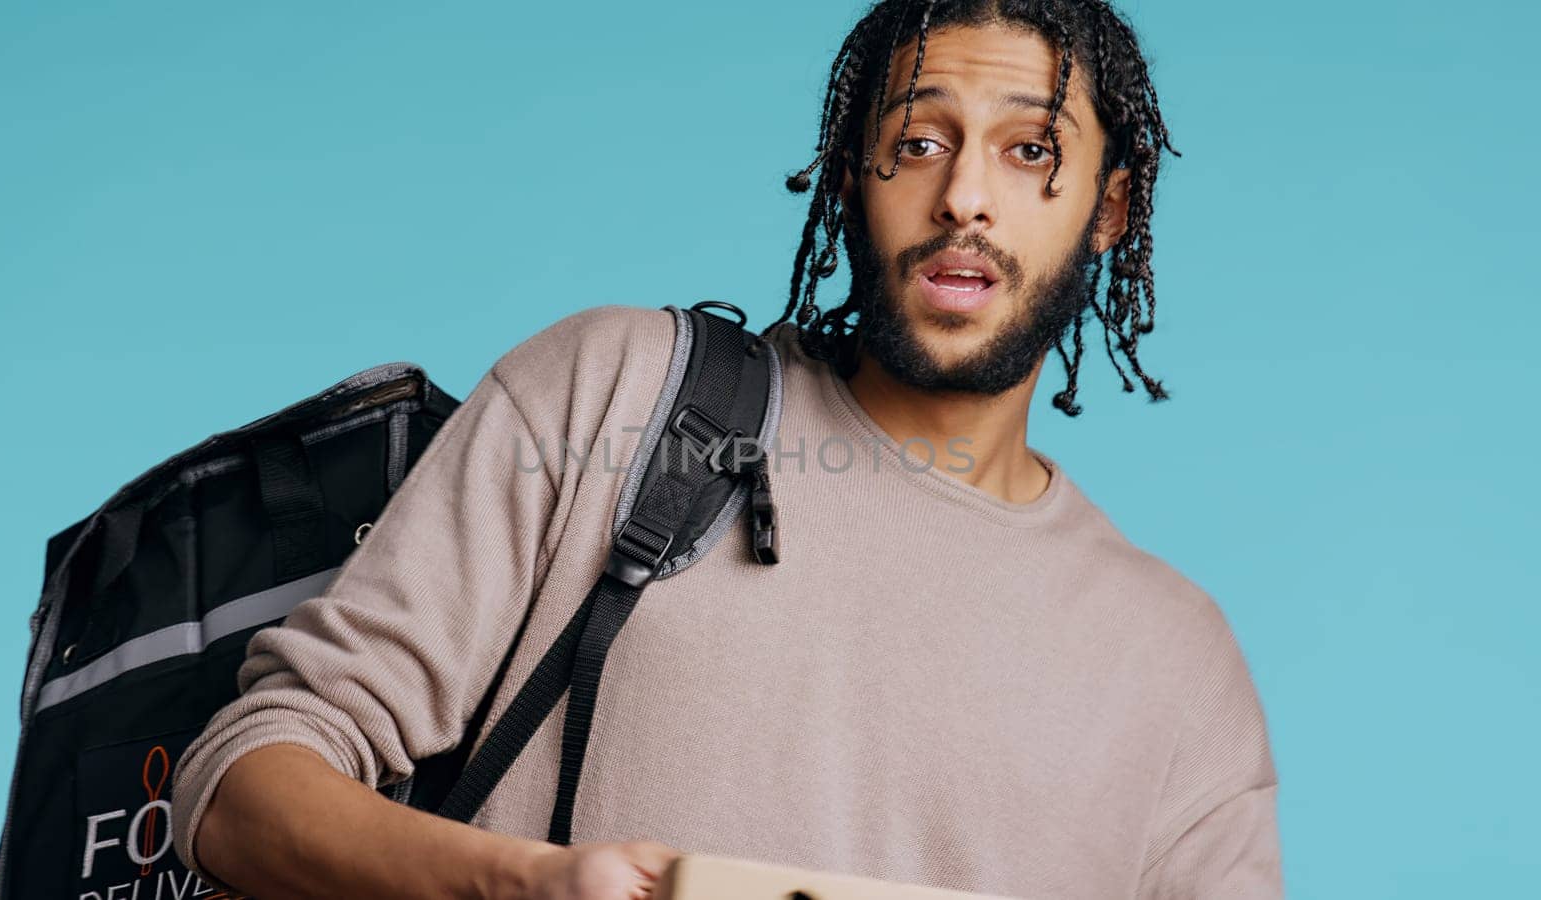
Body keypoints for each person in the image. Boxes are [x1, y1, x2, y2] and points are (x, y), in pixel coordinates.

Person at [172, 1, 1281, 898]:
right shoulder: (614, 396)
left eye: (1029, 149)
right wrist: (520, 887)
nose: (966, 199)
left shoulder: (1174, 664)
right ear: (851, 176)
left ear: (1108, 209)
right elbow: (238, 788)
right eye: (919, 140)